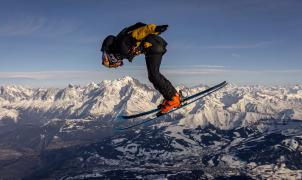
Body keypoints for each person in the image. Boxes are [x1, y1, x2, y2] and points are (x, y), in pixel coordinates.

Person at [101, 22, 181, 114]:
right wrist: (154, 30)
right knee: (154, 75)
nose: (119, 65)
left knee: (153, 75)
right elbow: (138, 32)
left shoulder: (121, 46)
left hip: (152, 46)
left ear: (112, 58)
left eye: (115, 64)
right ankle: (172, 96)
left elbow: (137, 33)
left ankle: (173, 99)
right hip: (152, 46)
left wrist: (154, 28)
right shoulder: (120, 45)